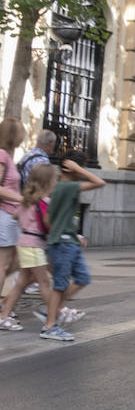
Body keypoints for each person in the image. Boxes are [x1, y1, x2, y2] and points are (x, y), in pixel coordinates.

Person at [35, 153, 104, 341]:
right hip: (63, 244)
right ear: (70, 168)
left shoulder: (60, 188)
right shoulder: (68, 186)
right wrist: (78, 169)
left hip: (68, 241)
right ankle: (50, 326)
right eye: (82, 167)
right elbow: (99, 182)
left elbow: (48, 219)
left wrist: (68, 232)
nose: (84, 172)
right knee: (60, 284)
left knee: (82, 277)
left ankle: (52, 311)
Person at [0, 163, 58, 332]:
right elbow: (51, 225)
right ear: (48, 182)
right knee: (44, 283)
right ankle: (53, 321)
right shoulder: (45, 203)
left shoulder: (27, 201)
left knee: (21, 283)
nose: (56, 182)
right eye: (55, 179)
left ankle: (4, 316)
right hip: (34, 246)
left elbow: (15, 216)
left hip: (24, 243)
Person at [0, 119, 26, 293]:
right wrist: (23, 199)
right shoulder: (2, 155)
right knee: (4, 264)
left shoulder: (7, 156)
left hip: (11, 215)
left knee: (17, 260)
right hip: (5, 214)